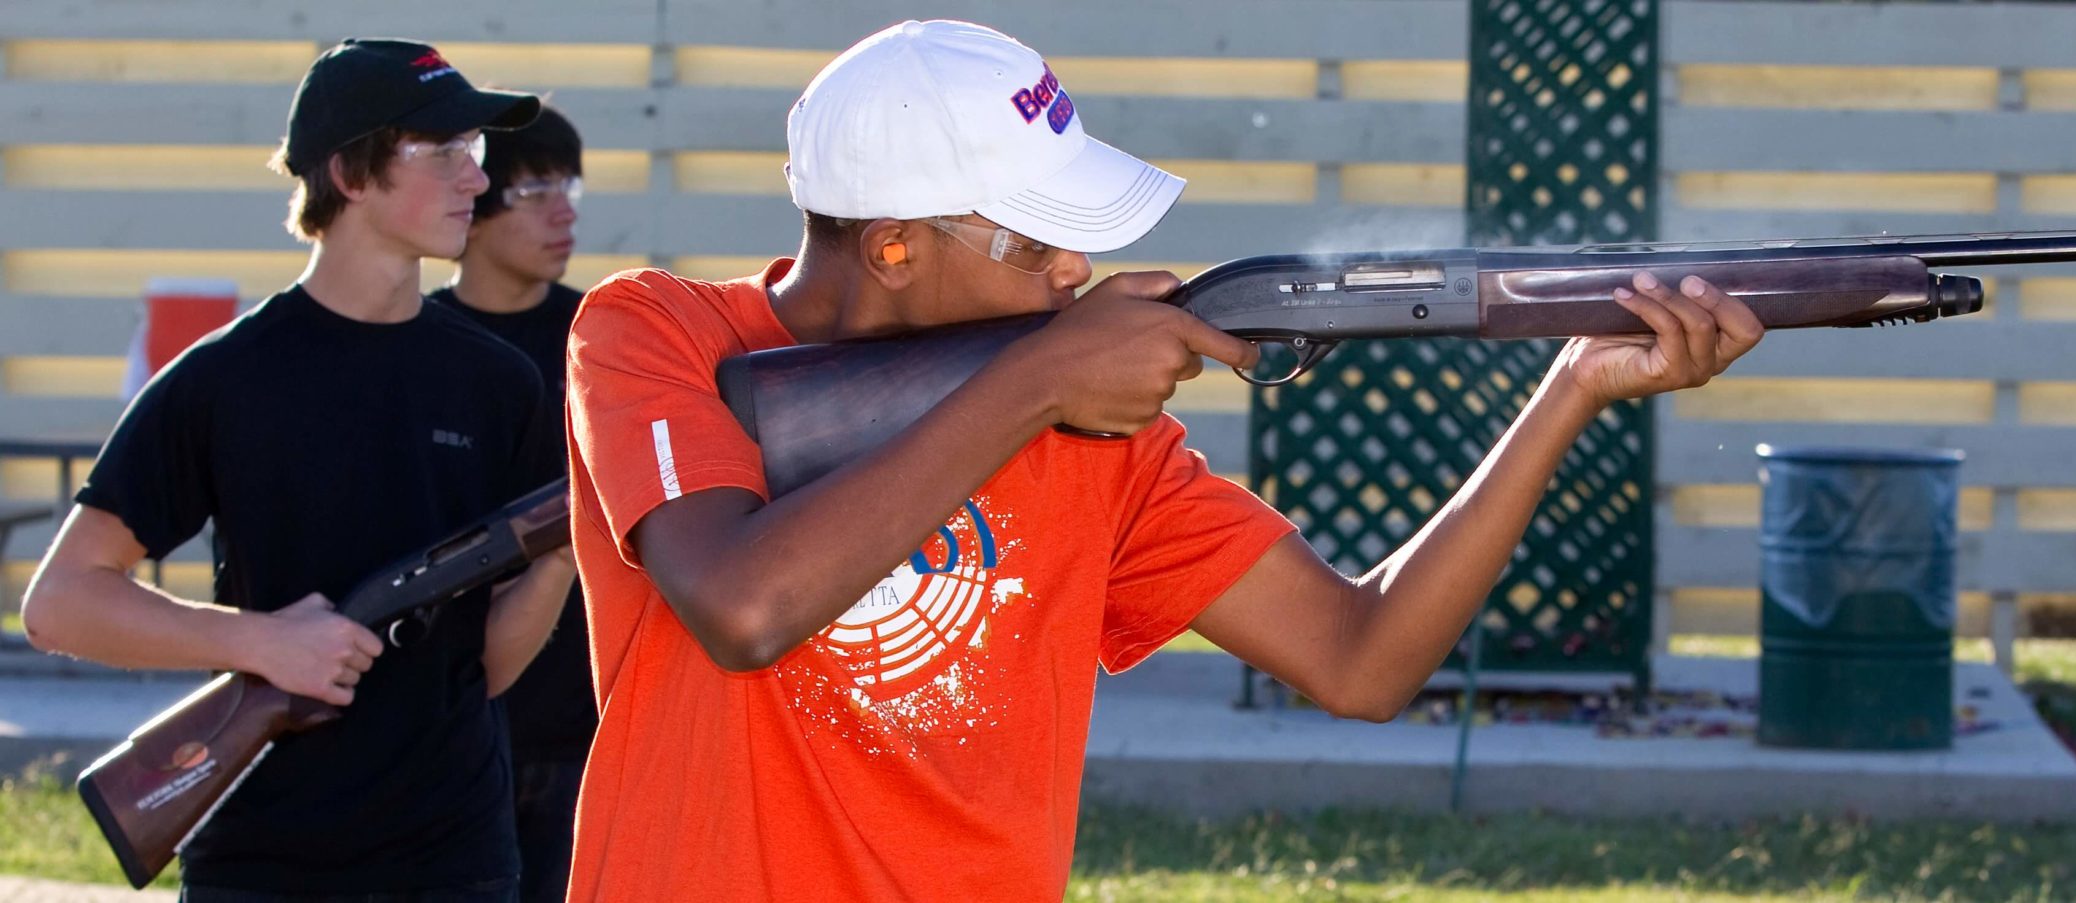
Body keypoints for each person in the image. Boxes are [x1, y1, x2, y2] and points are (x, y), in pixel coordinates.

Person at [561, 19, 1761, 901]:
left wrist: (1571, 391)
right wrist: (1034, 383)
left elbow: (1362, 661)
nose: (1073, 275)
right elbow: (742, 603)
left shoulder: (1098, 429)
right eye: (1043, 243)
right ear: (889, 246)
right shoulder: (656, 331)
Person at [19, 38, 579, 901]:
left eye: (475, 154)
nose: (478, 179)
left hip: (455, 864)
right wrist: (259, 642)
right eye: (443, 154)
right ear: (350, 176)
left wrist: (561, 552)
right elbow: (61, 602)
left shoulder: (500, 383)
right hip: (262, 868)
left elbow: (487, 671)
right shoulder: (224, 379)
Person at [429, 102, 591, 903]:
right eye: (534, 189)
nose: (564, 209)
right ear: (474, 201)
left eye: (569, 184)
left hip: (586, 727)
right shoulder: (418, 344)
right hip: (452, 731)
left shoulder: (605, 338)